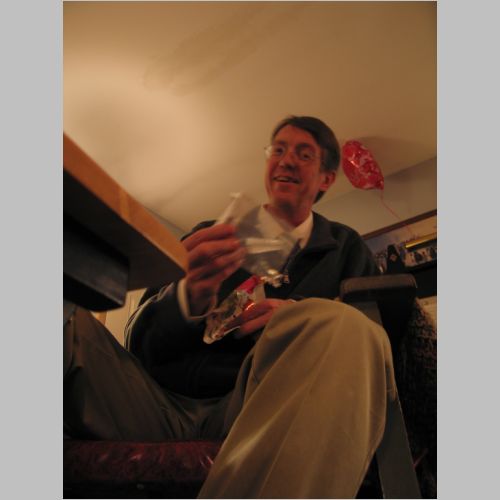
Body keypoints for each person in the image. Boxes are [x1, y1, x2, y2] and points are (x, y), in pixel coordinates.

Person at [64, 115, 397, 498]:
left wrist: (300, 318)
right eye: (278, 150)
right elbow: (136, 346)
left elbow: (378, 345)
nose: (286, 160)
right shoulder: (209, 236)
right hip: (155, 404)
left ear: (326, 179)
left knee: (346, 325)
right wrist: (186, 298)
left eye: (304, 154)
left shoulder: (346, 248)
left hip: (263, 410)